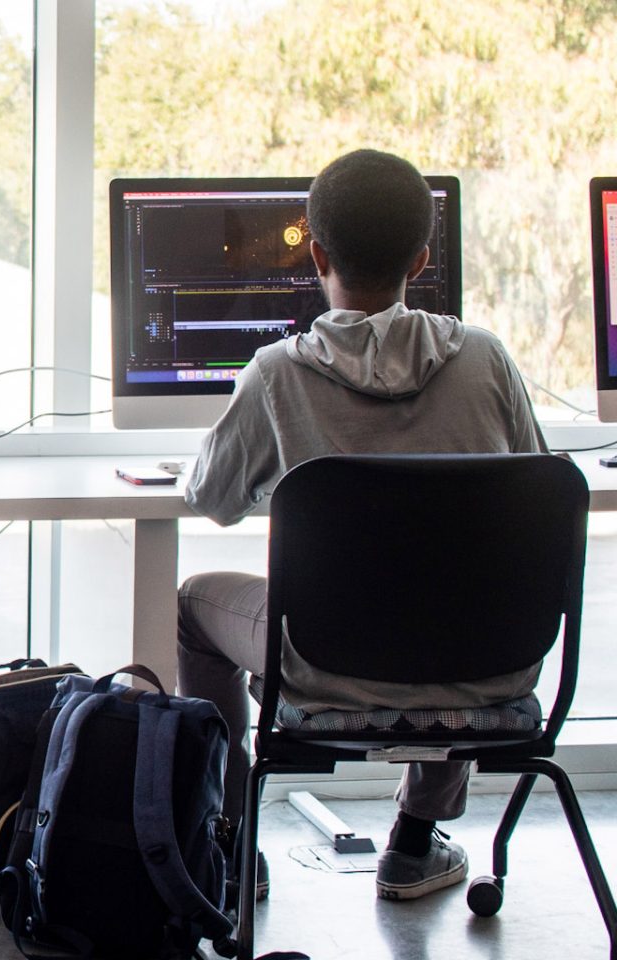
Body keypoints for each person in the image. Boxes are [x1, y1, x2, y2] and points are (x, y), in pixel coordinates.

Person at [178, 148, 547, 903]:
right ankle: (415, 842)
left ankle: (231, 834)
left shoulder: (276, 372)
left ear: (315, 252)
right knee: (447, 581)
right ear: (423, 255)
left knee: (191, 604)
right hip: (486, 665)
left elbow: (210, 497)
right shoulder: (487, 360)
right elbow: (535, 491)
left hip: (324, 665)